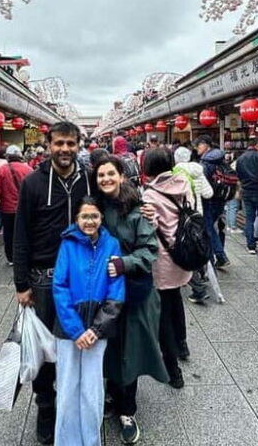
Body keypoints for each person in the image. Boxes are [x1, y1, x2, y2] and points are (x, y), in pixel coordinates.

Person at [13, 121, 92, 445]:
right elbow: (20, 234)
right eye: (59, 143)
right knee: (45, 348)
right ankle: (45, 405)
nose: (65, 149)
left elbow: (114, 205)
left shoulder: (88, 179)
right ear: (49, 145)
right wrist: (21, 284)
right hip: (43, 279)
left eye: (70, 143)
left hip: (82, 277)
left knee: (79, 341)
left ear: (78, 145)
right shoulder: (32, 183)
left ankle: (77, 400)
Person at [94, 156, 168, 445]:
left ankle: (128, 410)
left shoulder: (138, 210)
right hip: (102, 293)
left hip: (134, 291)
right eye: (100, 175)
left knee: (130, 350)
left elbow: (149, 250)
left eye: (110, 174)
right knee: (109, 347)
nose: (106, 179)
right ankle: (113, 395)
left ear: (122, 176)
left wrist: (124, 263)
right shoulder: (93, 208)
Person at [53, 197, 125, 446]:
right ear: (76, 219)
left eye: (94, 216)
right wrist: (76, 330)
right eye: (85, 216)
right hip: (68, 328)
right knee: (67, 387)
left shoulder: (112, 244)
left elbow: (116, 290)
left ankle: (91, 441)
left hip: (98, 327)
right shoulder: (67, 243)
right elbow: (59, 286)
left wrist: (97, 328)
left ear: (101, 218)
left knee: (92, 389)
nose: (90, 221)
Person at [140, 147, 193, 389]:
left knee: (162, 312)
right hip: (183, 253)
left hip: (163, 259)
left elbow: (149, 228)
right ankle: (182, 345)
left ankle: (173, 369)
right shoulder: (184, 183)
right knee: (176, 299)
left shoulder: (150, 194)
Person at [173, 146, 214, 305]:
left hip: (184, 216)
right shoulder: (198, 171)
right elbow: (208, 193)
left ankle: (198, 286)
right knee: (197, 244)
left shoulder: (176, 173)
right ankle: (202, 274)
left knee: (186, 248)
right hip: (198, 215)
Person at [0, 144, 32, 265]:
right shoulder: (28, 170)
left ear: (7, 157)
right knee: (25, 232)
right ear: (19, 156)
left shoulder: (2, 171)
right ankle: (26, 255)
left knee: (9, 234)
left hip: (8, 209)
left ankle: (11, 258)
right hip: (25, 208)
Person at [195, 135, 230, 268]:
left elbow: (203, 182)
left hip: (210, 199)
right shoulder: (219, 157)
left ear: (205, 145)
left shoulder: (206, 162)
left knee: (208, 227)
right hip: (221, 198)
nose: (197, 148)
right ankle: (218, 254)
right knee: (218, 226)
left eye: (198, 145)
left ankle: (219, 255)